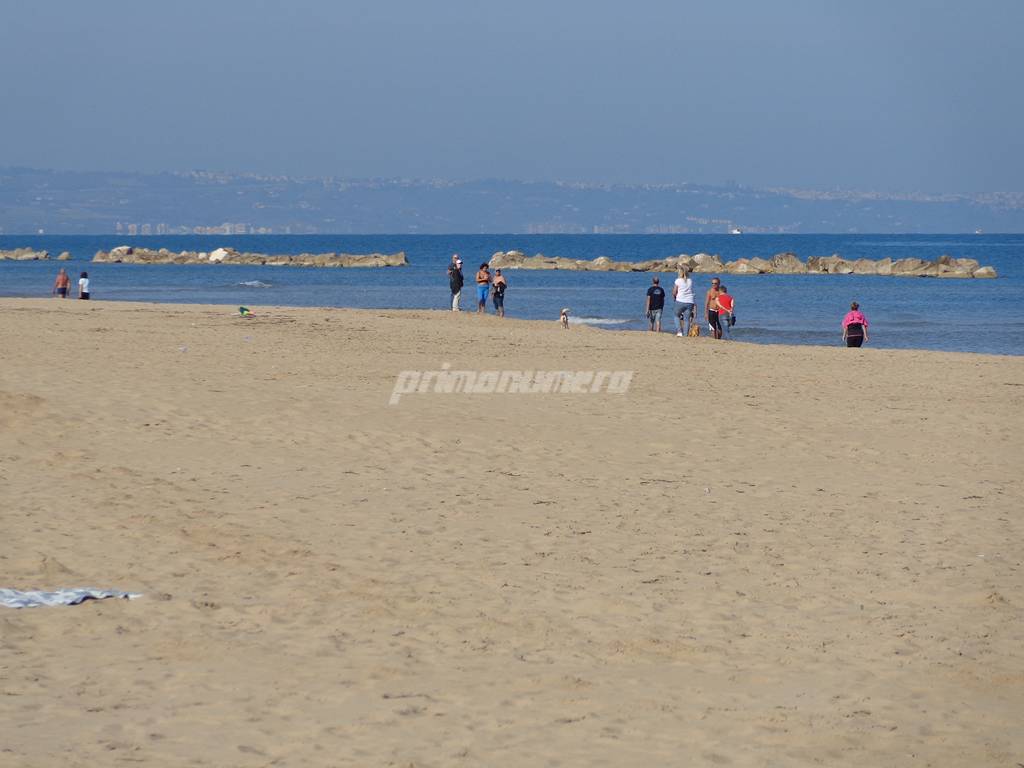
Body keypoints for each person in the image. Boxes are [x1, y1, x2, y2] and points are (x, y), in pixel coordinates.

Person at [672, 267, 695, 337]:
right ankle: (685, 334)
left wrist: (674, 297)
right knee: (687, 319)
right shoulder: (690, 280)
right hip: (690, 301)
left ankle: (679, 332)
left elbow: (674, 292)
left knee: (676, 315)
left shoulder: (678, 281)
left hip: (680, 300)